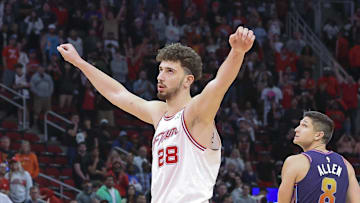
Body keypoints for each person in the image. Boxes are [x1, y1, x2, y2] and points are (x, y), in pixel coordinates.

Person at [57, 26, 255, 202]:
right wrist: (79, 62)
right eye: (160, 70)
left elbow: (219, 84)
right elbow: (117, 93)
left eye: (170, 71)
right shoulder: (159, 113)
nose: (160, 77)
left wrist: (237, 52)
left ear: (187, 80)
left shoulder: (196, 112)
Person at [278, 111, 360, 202]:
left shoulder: (295, 162)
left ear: (318, 135)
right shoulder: (346, 165)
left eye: (304, 125)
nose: (296, 129)